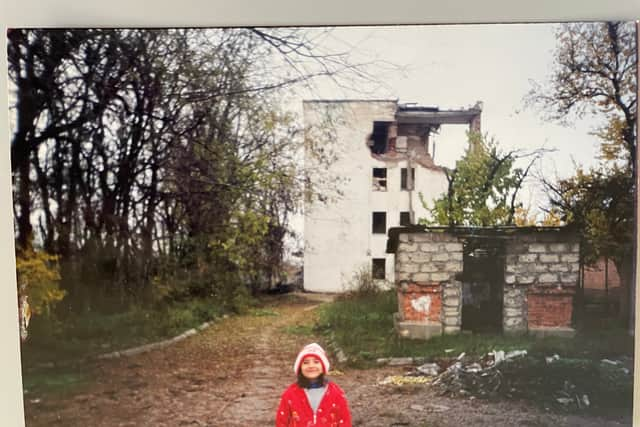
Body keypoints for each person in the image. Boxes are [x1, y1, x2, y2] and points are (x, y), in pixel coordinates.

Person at [276, 343, 352, 426]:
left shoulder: (335, 393)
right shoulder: (290, 394)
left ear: (323, 367)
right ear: (299, 368)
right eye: (306, 362)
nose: (311, 366)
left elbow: (344, 420)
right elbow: (282, 421)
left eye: (316, 362)